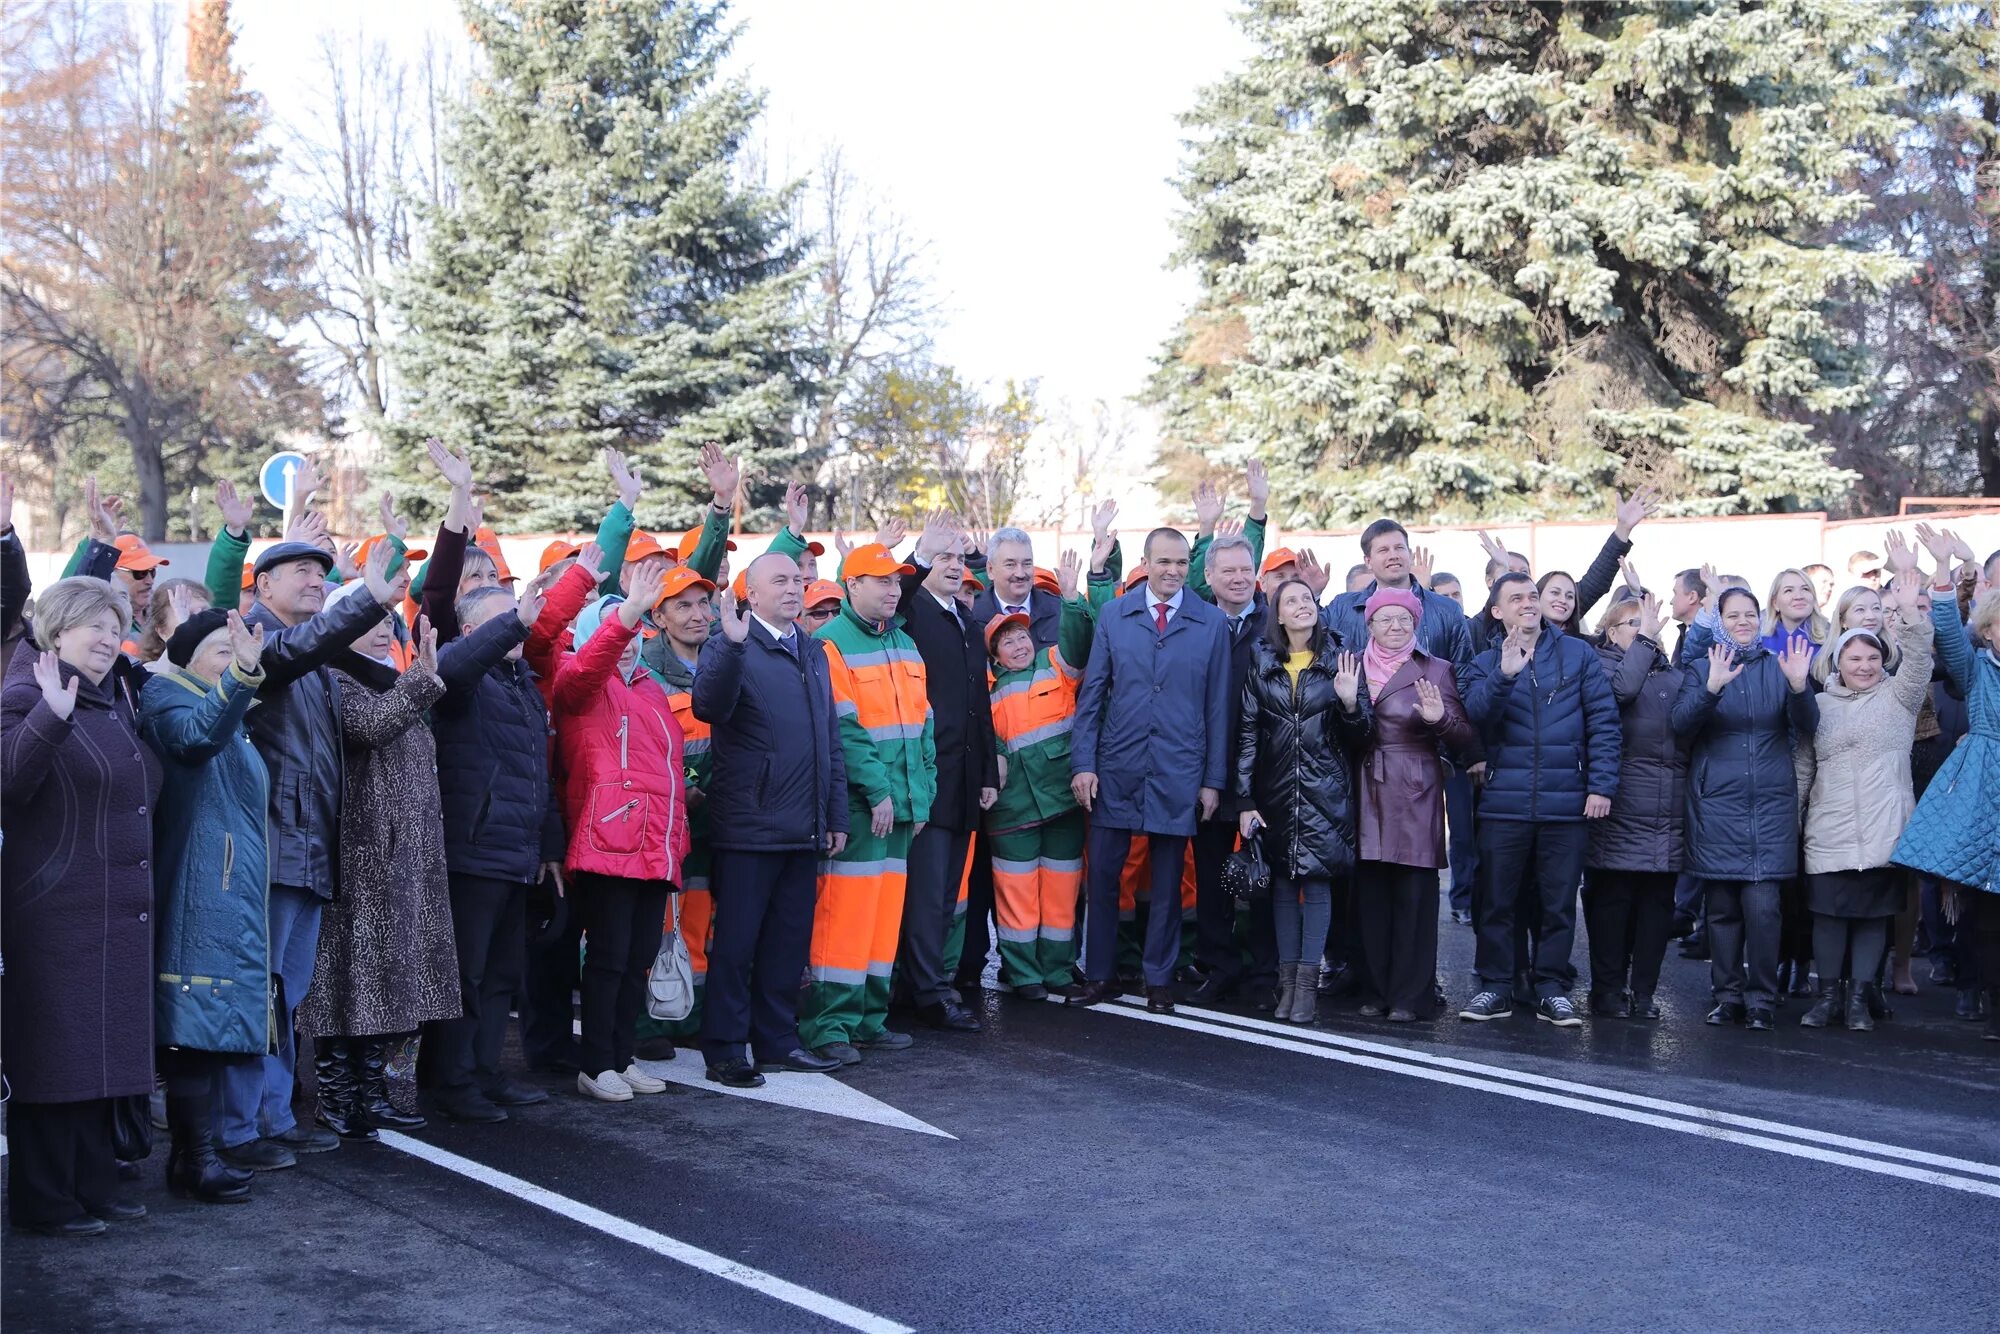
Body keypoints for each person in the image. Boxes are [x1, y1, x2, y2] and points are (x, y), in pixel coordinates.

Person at [221, 535, 396, 1172]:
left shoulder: (316, 657)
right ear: (262, 587)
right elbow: (297, 649)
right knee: (259, 995)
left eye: (322, 572)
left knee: (285, 997)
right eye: (300, 571)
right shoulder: (256, 643)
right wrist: (368, 598)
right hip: (271, 850)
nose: (316, 580)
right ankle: (242, 1127)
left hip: (309, 851)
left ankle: (273, 1116)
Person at [1, 577, 161, 1235]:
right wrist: (51, 716)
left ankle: (96, 1183)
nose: (107, 637)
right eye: (93, 624)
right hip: (54, 915)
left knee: (105, 1056)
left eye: (115, 623)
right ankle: (44, 1200)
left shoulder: (108, 699)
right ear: (56, 630)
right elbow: (10, 778)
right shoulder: (25, 695)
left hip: (116, 913)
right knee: (55, 1060)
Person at [296, 591, 460, 1138]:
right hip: (361, 854)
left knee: (394, 976)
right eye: (366, 621)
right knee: (352, 976)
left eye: (386, 622)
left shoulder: (397, 681)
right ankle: (337, 1093)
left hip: (408, 855)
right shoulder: (334, 678)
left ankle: (377, 1089)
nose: (379, 630)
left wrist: (417, 681)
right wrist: (423, 680)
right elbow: (369, 727)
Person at [695, 553, 850, 1087]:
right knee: (737, 945)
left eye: (798, 579)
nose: (794, 588)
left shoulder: (812, 650)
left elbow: (827, 738)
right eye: (780, 580)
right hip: (750, 825)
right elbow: (709, 707)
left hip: (803, 826)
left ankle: (778, 1039)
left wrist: (834, 812)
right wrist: (733, 646)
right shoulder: (731, 643)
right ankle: (724, 1049)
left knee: (788, 942)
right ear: (751, 594)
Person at [139, 608, 272, 1203]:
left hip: (223, 889)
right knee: (193, 1026)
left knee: (210, 1023)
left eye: (240, 651)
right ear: (190, 659)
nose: (236, 657)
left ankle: (199, 1156)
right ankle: (196, 1159)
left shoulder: (219, 702)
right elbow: (196, 737)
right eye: (222, 650)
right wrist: (241, 675)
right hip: (200, 889)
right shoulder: (168, 699)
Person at [1069, 528, 1231, 1013]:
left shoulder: (1210, 624)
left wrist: (1213, 780)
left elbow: (1217, 707)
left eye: (1182, 563)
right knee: (1104, 876)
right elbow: (1092, 696)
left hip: (1179, 769)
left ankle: (1158, 979)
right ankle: (1100, 975)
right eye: (1164, 562)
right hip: (1117, 765)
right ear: (1145, 561)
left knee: (1166, 882)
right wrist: (1083, 764)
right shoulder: (1116, 615)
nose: (1173, 571)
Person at [425, 572, 565, 1123]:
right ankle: (450, 1082)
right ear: (469, 629)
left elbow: (539, 776)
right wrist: (516, 621)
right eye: (507, 618)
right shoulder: (461, 676)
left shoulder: (522, 685)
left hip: (517, 852)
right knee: (466, 973)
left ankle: (484, 1073)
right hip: (473, 849)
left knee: (502, 973)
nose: (520, 626)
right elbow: (454, 669)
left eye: (523, 616)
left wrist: (549, 847)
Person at [552, 563, 692, 1102]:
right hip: (608, 842)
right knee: (608, 958)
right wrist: (627, 613)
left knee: (637, 958)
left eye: (636, 634)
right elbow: (592, 665)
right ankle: (595, 1064)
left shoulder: (650, 691)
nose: (630, 643)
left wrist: (674, 837)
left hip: (653, 843)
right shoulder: (577, 682)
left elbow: (669, 773)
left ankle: (620, 1054)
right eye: (620, 631)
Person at [1457, 572, 1621, 1027]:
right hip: (1502, 805)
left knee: (1558, 903)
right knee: (1496, 903)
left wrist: (1601, 785)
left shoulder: (1578, 653)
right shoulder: (1485, 660)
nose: (1528, 603)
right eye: (1516, 598)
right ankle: (1496, 986)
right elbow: (1473, 723)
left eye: (1532, 595)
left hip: (1566, 803)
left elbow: (1604, 723)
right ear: (1497, 612)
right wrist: (1504, 676)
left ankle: (1550, 986)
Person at [801, 543, 938, 1064]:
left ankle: (868, 1019)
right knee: (844, 919)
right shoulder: (830, 644)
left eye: (896, 581)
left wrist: (920, 795)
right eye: (880, 581)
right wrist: (878, 791)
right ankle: (829, 1025)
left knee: (882, 922)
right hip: (863, 808)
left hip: (901, 808)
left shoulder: (904, 642)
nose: (892, 590)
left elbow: (924, 725)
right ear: (851, 585)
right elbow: (846, 729)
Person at [1673, 585, 1818, 1031]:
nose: (1742, 622)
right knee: (1721, 910)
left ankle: (1761, 999)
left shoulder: (1782, 665)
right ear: (1719, 620)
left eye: (1749, 615)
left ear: (1761, 618)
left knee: (1764, 908)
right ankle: (1728, 996)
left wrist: (1798, 687)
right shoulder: (1701, 667)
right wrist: (1712, 688)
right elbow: (1680, 726)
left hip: (1771, 802)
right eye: (1732, 615)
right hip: (1717, 802)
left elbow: (1809, 726)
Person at [1793, 572, 1933, 1033]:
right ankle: (1827, 998)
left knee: (1874, 919)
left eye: (1872, 657)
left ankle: (1857, 1001)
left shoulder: (1900, 697)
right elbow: (1803, 767)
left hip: (1884, 824)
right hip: (1829, 824)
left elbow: (1918, 661)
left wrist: (1911, 614)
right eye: (1855, 658)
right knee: (1829, 917)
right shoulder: (1821, 706)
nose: (1865, 665)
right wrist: (1794, 820)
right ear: (1838, 661)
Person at [1236, 580, 1372, 1024]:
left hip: (1324, 792)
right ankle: (1287, 982)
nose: (1301, 606)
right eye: (1290, 601)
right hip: (1274, 793)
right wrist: (1245, 798)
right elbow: (1247, 734)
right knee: (1280, 887)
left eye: (1307, 600)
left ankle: (1307, 989)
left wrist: (1351, 705)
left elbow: (1362, 736)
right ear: (1277, 614)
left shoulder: (1341, 658)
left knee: (1315, 886)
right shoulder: (1263, 660)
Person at [1892, 525, 2000, 1042]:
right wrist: (1940, 569)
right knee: (1979, 902)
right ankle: (1977, 987)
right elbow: (1948, 633)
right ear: (1991, 628)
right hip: (1982, 788)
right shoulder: (1978, 667)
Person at [1350, 586, 1476, 1022]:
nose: (1395, 626)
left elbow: (1464, 737)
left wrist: (1439, 718)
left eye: (1404, 619)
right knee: (1371, 894)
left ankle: (1411, 996)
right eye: (1385, 619)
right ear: (1369, 624)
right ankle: (1377, 989)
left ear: (1416, 624)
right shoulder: (1351, 665)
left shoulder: (1436, 668)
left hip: (1415, 786)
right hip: (1364, 783)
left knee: (1414, 896)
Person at [896, 513, 998, 1032]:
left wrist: (987, 774)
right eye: (945, 558)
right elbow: (900, 591)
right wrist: (917, 556)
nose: (956, 567)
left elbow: (978, 704)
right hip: (927, 779)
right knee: (926, 893)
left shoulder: (968, 623)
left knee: (944, 895)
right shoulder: (913, 610)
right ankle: (927, 992)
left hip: (961, 782)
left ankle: (928, 983)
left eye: (960, 559)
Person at [984, 551, 1095, 1000]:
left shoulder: (1056, 666)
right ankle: (1024, 974)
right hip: (1013, 812)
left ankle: (1059, 970)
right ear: (994, 653)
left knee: (1061, 894)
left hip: (1064, 804)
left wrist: (1070, 597)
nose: (1018, 645)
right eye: (1006, 641)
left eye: (1021, 637)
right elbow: (984, 740)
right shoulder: (985, 689)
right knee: (1017, 897)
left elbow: (1081, 639)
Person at [1583, 590, 1689, 1020]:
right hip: (1616, 806)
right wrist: (1646, 641)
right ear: (1610, 632)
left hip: (1667, 811)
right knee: (1611, 905)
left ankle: (1643, 992)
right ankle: (1607, 990)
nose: (1650, 631)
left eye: (1652, 625)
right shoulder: (1601, 669)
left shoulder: (1674, 676)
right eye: (1636, 625)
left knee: (1655, 911)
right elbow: (1621, 693)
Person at [1187, 531, 1278, 1008]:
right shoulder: (1197, 623)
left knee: (1261, 874)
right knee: (1210, 875)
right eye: (1229, 571)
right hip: (1206, 772)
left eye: (1246, 569)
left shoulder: (1274, 624)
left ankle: (1265, 974)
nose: (1240, 578)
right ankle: (1219, 964)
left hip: (1266, 775)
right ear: (1209, 577)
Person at [1761, 568, 1830, 659]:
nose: (1799, 596)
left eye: (1805, 589)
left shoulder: (1831, 638)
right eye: (1788, 590)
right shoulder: (1760, 644)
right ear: (1775, 603)